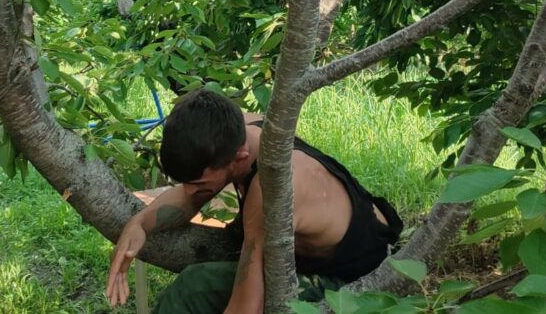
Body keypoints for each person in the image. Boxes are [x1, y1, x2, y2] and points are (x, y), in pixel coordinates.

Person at [105, 89, 403, 313]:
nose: (191, 191)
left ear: (239, 158)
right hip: (318, 253)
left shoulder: (272, 190)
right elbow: (189, 194)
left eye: (199, 182)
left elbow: (245, 307)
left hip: (355, 282)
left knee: (195, 288)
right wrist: (139, 223)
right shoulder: (239, 129)